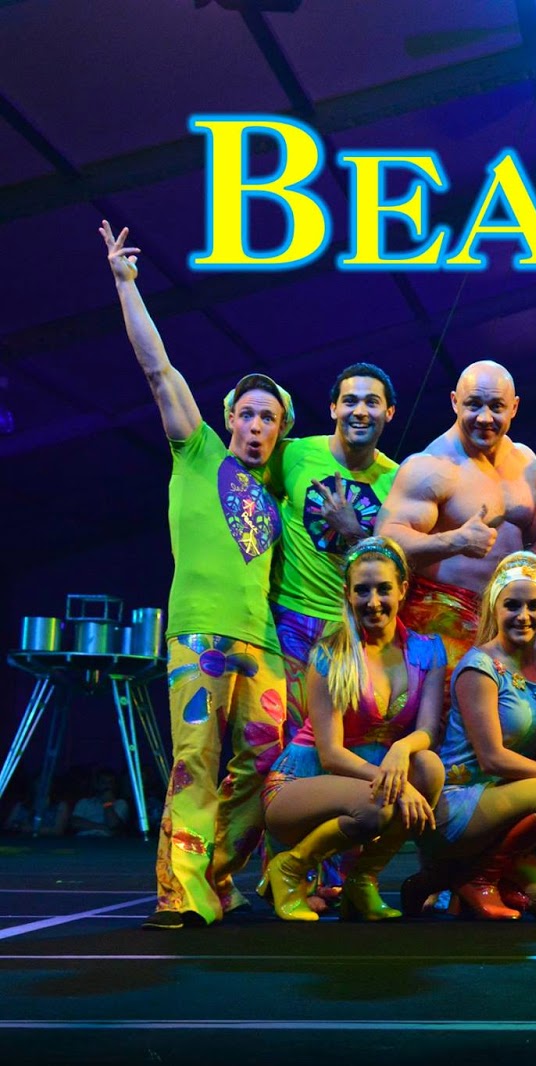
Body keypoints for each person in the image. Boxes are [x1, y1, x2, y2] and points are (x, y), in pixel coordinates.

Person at [102, 220, 291, 930]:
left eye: (269, 418)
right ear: (229, 418)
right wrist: (126, 285)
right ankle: (180, 894)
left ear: (280, 430)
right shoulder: (197, 450)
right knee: (196, 758)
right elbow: (158, 369)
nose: (256, 425)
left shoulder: (275, 497)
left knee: (267, 764)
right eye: (247, 413)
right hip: (199, 635)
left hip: (260, 642)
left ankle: (216, 876)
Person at [259, 537, 446, 921]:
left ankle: (362, 880)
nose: (373, 601)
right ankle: (289, 868)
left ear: (403, 590)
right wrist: (399, 786)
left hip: (365, 785)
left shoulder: (428, 650)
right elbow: (330, 754)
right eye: (362, 590)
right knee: (378, 806)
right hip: (301, 785)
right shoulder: (331, 655)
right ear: (348, 593)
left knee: (429, 767)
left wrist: (402, 749)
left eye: (383, 589)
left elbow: (428, 728)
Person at [412, 552, 536, 920]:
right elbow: (491, 759)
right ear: (495, 606)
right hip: (463, 800)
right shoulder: (480, 666)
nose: (523, 615)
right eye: (512, 605)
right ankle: (480, 877)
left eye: (534, 606)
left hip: (512, 801)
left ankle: (444, 879)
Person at [376, 360, 536, 672]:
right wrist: (456, 541)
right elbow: (384, 543)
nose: (484, 418)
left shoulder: (525, 462)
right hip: (444, 612)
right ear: (454, 402)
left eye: (496, 406)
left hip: (511, 612)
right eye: (474, 404)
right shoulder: (430, 466)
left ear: (514, 407)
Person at [270, 364, 401, 732]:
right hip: (289, 618)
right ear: (333, 408)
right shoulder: (294, 454)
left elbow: (398, 566)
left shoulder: (398, 481)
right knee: (282, 734)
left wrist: (353, 531)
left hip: (351, 628)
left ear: (389, 412)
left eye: (372, 402)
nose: (360, 411)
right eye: (350, 401)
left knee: (339, 737)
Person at [70, 770, 130, 837]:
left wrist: (107, 803)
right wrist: (103, 827)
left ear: (114, 786)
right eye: (103, 782)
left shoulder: (121, 804)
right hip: (83, 838)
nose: (107, 786)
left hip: (107, 840)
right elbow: (74, 823)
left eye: (110, 782)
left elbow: (113, 826)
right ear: (97, 785)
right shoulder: (84, 802)